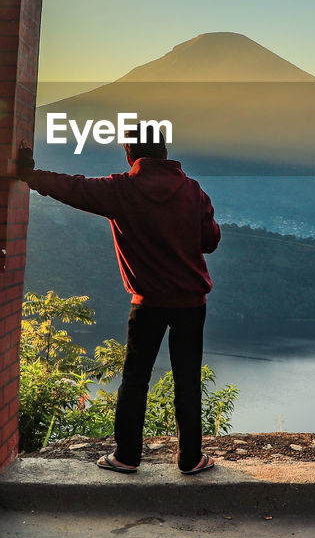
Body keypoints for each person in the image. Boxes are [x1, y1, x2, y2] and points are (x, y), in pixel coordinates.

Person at [16, 131, 221, 475]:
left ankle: (126, 456)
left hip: (148, 302)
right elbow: (210, 241)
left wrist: (32, 176)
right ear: (165, 152)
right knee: (187, 380)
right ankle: (190, 459)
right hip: (190, 302)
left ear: (130, 156)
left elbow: (74, 187)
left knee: (135, 379)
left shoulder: (120, 189)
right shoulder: (193, 190)